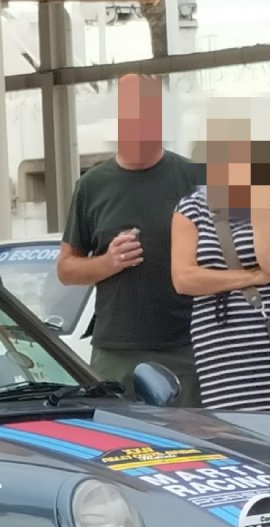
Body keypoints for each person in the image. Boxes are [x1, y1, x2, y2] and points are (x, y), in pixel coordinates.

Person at [57, 74, 204, 400]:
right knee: (117, 445)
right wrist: (108, 262)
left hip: (186, 348)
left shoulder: (192, 179)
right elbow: (66, 269)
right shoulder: (92, 186)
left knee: (191, 447)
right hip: (115, 352)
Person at [171, 118, 270, 412]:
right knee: (233, 434)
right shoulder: (191, 208)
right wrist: (251, 277)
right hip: (221, 345)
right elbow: (184, 279)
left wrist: (258, 205)